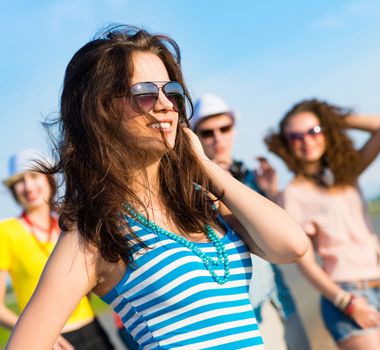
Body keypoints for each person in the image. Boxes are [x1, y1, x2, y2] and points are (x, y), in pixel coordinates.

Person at [6, 25, 308, 350]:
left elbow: (291, 246)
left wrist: (207, 169)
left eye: (171, 91)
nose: (166, 105)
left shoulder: (199, 203)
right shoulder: (96, 233)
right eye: (146, 93)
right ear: (101, 110)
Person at [266, 99, 380, 350]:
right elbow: (304, 262)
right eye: (296, 136)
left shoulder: (348, 174)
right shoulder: (293, 194)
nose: (307, 140)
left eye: (314, 131)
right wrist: (345, 301)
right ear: (286, 145)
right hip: (346, 295)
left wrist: (332, 118)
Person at [191, 93, 311, 350]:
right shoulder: (193, 188)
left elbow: (286, 236)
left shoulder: (252, 177)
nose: (218, 138)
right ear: (196, 137)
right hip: (242, 312)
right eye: (208, 132)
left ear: (234, 129)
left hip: (279, 298)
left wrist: (271, 193)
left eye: (224, 128)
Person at [0, 149, 114, 350]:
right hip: (48, 342)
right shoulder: (5, 232)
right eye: (19, 181)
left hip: (93, 331)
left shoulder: (71, 224)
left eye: (34, 176)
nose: (28, 186)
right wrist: (35, 334)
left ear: (49, 179)